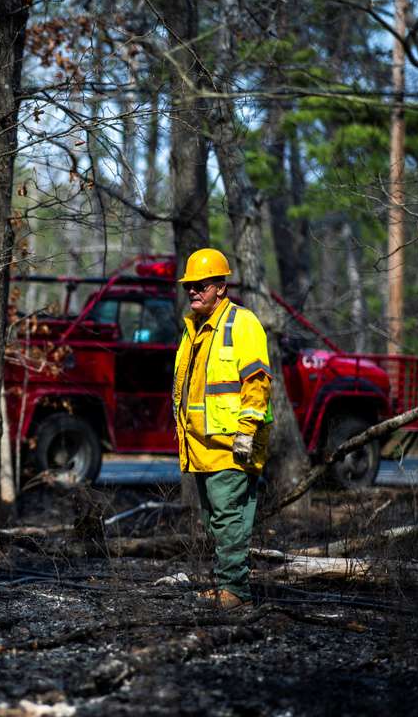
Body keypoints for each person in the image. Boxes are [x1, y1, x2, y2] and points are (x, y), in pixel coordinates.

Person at [171, 248, 273, 609]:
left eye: (201, 285)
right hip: (202, 445)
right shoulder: (193, 331)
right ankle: (228, 585)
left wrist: (246, 431)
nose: (194, 291)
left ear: (220, 286)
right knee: (216, 518)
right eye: (189, 286)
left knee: (229, 516)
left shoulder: (241, 324)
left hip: (232, 442)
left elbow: (257, 381)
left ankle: (235, 591)